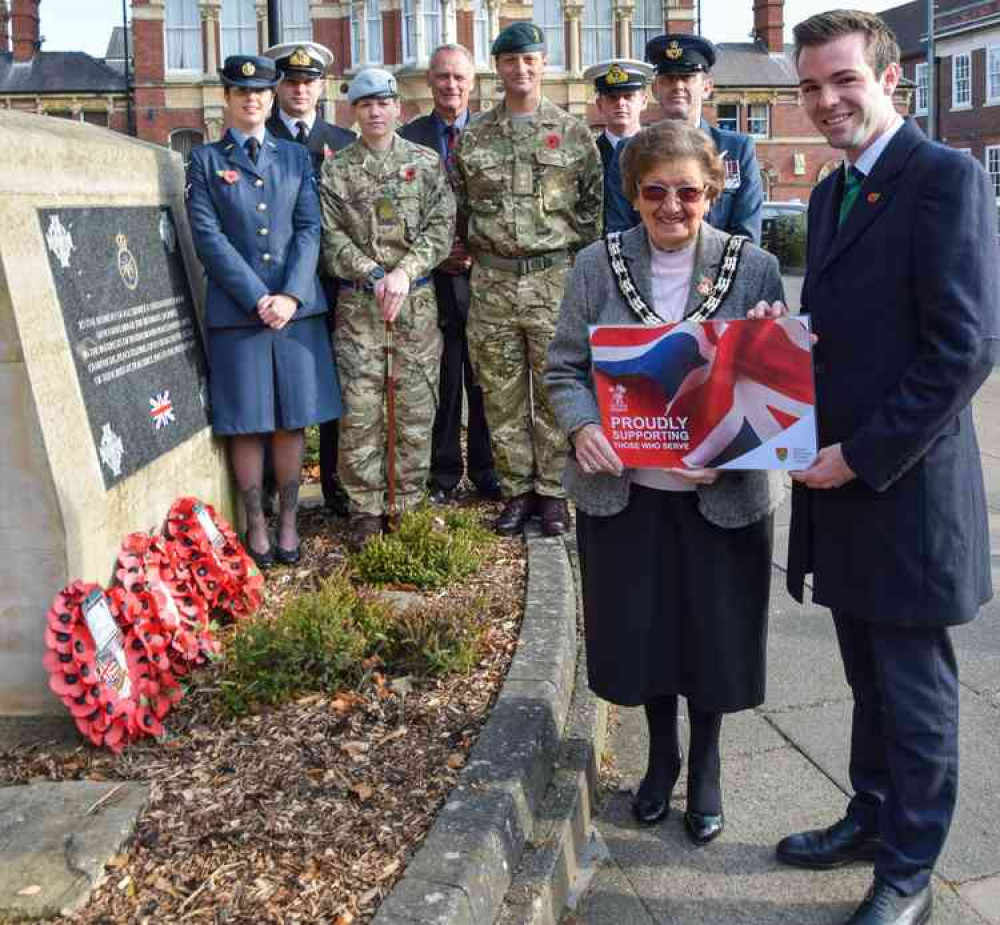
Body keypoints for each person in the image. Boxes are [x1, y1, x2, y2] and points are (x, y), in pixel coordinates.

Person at [759, 12, 998, 925]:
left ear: (890, 78)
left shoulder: (945, 179)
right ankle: (870, 813)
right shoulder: (830, 193)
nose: (825, 102)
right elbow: (834, 338)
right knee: (864, 675)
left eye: (842, 81)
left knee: (916, 689)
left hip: (904, 488)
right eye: (811, 88)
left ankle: (911, 869)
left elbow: (963, 350)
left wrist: (859, 455)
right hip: (838, 483)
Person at [545, 119, 785, 846]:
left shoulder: (754, 269)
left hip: (720, 495)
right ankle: (661, 758)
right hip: (628, 493)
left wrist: (737, 448)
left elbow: (773, 385)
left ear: (712, 190)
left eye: (688, 191)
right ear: (634, 193)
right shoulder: (596, 264)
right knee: (645, 633)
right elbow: (562, 367)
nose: (672, 206)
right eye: (655, 192)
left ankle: (705, 765)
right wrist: (584, 427)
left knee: (710, 634)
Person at [185, 55, 341, 568]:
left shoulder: (296, 159)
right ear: (227, 99)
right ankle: (255, 524)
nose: (251, 100)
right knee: (246, 420)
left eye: (260, 93)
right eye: (240, 92)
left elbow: (308, 229)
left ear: (271, 99)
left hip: (295, 312)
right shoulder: (205, 162)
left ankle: (290, 522)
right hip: (240, 312)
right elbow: (208, 238)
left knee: (291, 420)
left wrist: (292, 295)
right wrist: (258, 297)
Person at [453, 22, 603, 536]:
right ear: (497, 68)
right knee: (500, 393)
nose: (520, 69)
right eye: (511, 61)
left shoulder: (574, 133)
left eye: (530, 60)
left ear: (543, 65)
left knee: (556, 387)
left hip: (551, 279)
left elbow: (590, 211)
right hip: (492, 282)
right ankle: (517, 490)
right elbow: (460, 207)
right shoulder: (473, 136)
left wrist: (568, 267)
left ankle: (555, 493)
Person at [319, 68, 456, 548]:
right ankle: (365, 509)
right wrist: (373, 273)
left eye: (383, 103)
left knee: (415, 406)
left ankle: (406, 503)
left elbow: (442, 227)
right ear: (353, 113)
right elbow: (329, 235)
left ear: (397, 107)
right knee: (360, 412)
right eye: (364, 105)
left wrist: (403, 271)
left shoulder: (425, 162)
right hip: (360, 308)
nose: (375, 113)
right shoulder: (337, 170)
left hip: (415, 303)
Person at [399, 44, 501, 504]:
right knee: (441, 378)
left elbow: (503, 203)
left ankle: (486, 469)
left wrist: (479, 249)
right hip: (431, 278)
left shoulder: (491, 133)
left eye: (460, 77)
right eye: (442, 76)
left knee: (483, 378)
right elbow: (398, 213)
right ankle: (442, 473)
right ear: (429, 81)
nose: (451, 85)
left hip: (484, 277)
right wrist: (434, 253)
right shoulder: (409, 137)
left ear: (473, 82)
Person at [264, 40, 356, 516]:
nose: (300, 90)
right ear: (278, 86)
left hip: (337, 283)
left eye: (308, 81)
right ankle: (276, 487)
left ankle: (337, 481)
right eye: (291, 81)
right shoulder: (261, 136)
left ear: (321, 86)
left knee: (336, 384)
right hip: (280, 286)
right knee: (281, 385)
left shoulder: (342, 142)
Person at [646, 33, 762, 243]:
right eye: (669, 78)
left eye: (687, 77)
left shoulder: (738, 149)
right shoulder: (633, 151)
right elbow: (622, 232)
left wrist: (711, 275)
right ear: (655, 89)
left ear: (707, 87)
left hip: (720, 272)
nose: (678, 85)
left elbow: (746, 234)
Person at [583, 58, 654, 234]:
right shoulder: (586, 156)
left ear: (644, 101)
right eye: (612, 97)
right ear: (600, 104)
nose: (620, 103)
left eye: (628, 96)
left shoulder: (659, 152)